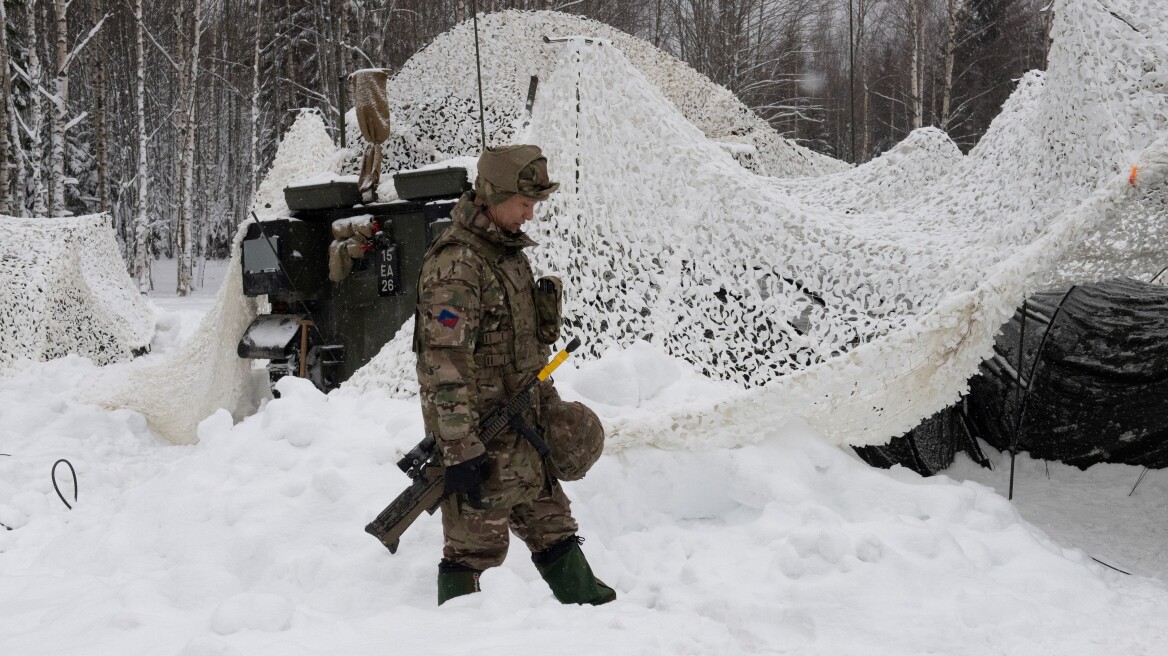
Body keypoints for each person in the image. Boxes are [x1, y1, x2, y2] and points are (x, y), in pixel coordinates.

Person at [412, 144, 616, 606]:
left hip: (524, 423)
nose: (530, 215)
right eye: (524, 204)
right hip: (480, 437)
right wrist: (460, 447)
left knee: (551, 519)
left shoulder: (507, 254)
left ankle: (591, 608)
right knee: (473, 545)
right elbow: (442, 364)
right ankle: (454, 629)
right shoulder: (457, 265)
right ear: (493, 194)